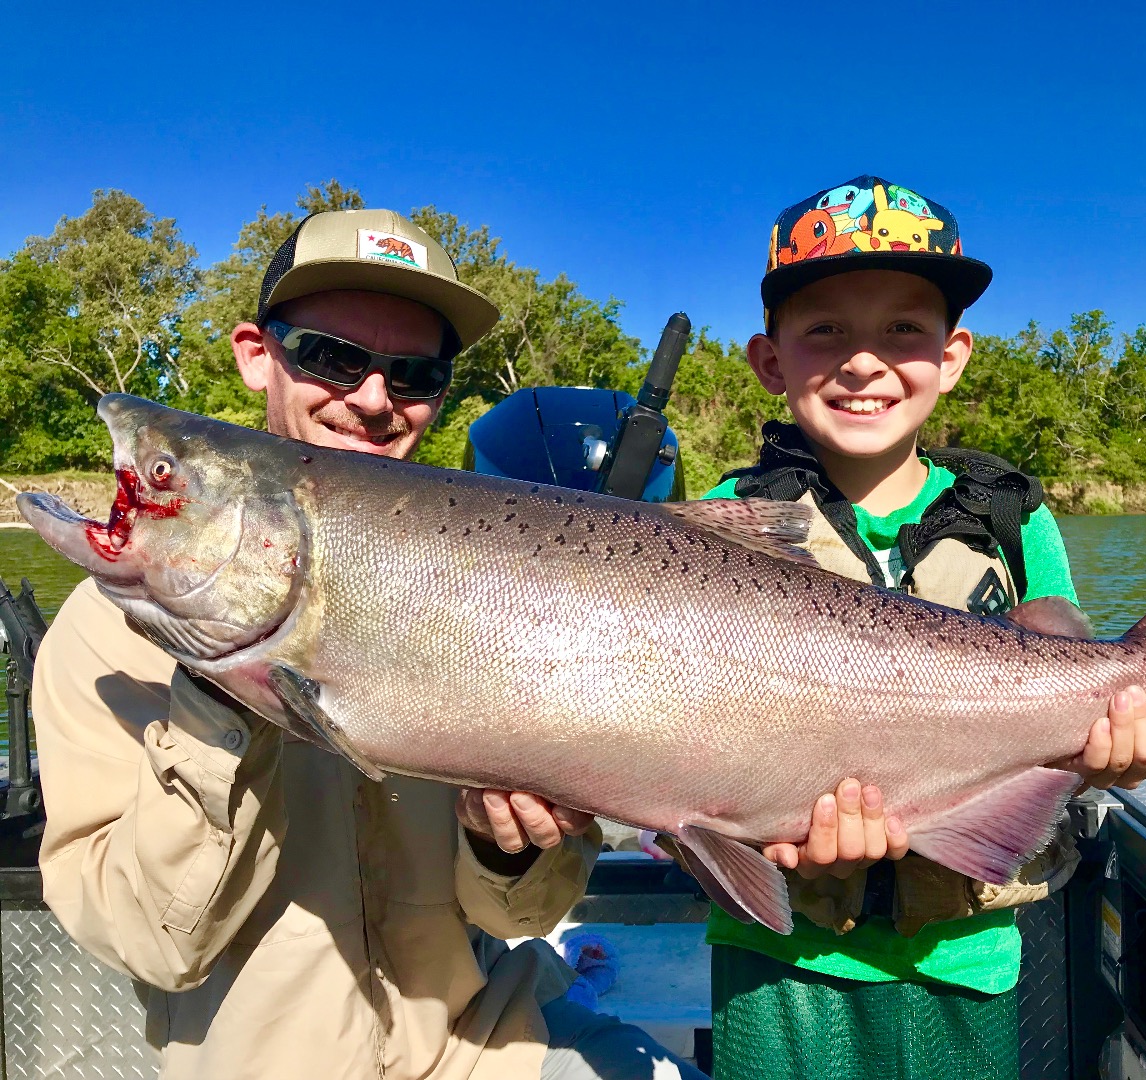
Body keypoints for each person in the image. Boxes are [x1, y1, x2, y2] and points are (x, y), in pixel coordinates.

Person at [33, 208, 705, 1080]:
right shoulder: (100, 635)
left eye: (417, 373)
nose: (376, 399)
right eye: (331, 356)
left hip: (495, 1043)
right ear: (254, 354)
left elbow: (521, 917)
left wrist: (508, 848)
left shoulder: (493, 581)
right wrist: (217, 699)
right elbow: (153, 945)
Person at [699, 176, 1146, 1080]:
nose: (865, 362)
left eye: (904, 329)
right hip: (777, 959)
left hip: (965, 957)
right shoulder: (719, 522)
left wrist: (1113, 748)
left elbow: (1068, 702)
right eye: (825, 331)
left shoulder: (1012, 520)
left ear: (954, 354)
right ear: (770, 362)